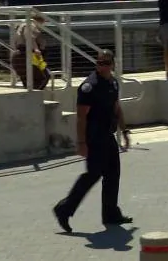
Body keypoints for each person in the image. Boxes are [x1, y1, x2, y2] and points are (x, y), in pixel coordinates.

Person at [53, 49, 133, 232]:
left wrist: (125, 130)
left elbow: (116, 108)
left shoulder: (113, 82)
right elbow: (81, 117)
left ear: (112, 64)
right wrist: (81, 143)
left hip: (108, 135)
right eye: (99, 62)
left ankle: (111, 214)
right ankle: (64, 209)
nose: (101, 66)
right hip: (94, 137)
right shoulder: (89, 86)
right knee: (93, 174)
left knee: (113, 174)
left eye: (105, 63)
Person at [10, 11, 51, 90]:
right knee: (44, 76)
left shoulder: (22, 25)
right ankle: (35, 96)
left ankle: (32, 97)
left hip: (20, 56)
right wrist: (36, 49)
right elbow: (29, 37)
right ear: (40, 20)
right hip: (27, 55)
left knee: (29, 81)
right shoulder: (30, 24)